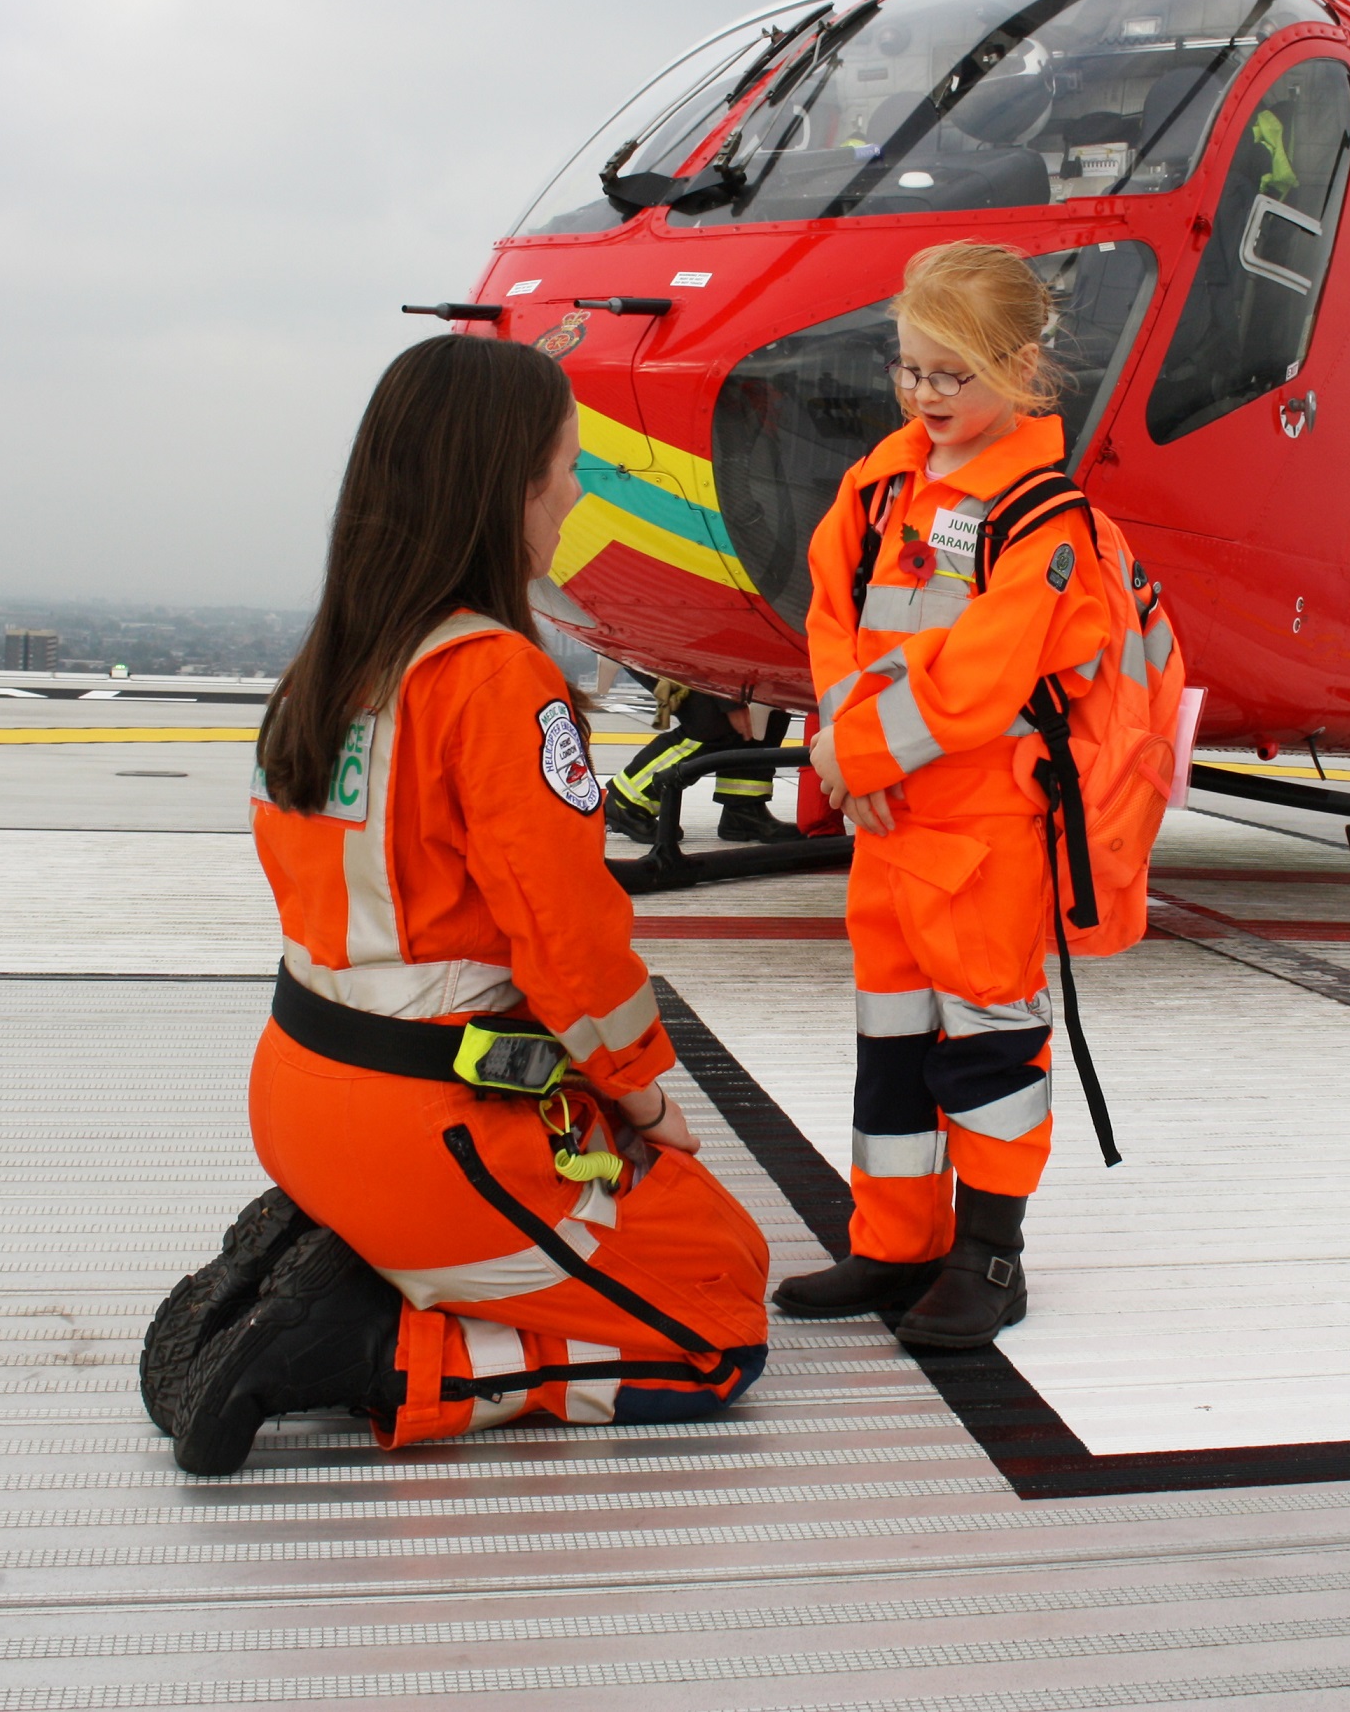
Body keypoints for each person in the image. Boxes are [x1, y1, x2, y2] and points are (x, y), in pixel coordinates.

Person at [155, 334, 770, 1476]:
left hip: (306, 1094)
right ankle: (374, 1344)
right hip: (435, 1128)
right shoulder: (494, 678)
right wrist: (642, 1102)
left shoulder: (333, 671)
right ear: (505, 487)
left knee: (709, 1241)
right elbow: (565, 936)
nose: (577, 490)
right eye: (564, 466)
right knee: (720, 1321)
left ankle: (357, 1250)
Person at [775, 242, 1110, 1350]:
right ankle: (894, 1240)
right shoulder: (880, 484)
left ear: (1020, 369)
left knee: (989, 1041)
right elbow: (832, 618)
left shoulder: (1041, 514)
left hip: (981, 827)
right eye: (909, 370)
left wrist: (855, 758)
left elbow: (983, 679)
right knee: (893, 1042)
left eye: (949, 374)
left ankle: (989, 1255)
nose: (924, 395)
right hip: (890, 821)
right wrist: (846, 750)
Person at [604, 679, 804, 845]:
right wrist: (729, 700)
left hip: (730, 659)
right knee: (712, 723)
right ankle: (627, 801)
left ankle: (744, 809)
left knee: (769, 707)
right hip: (672, 645)